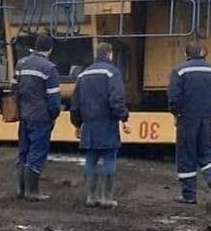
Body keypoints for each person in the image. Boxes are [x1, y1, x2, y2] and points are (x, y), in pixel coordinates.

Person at [167, 42, 211, 205]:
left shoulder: (180, 70)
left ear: (186, 54)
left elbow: (174, 96)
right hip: (208, 117)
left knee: (186, 154)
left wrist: (175, 113)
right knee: (207, 152)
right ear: (203, 53)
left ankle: (189, 195)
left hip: (187, 118)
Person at [70, 42, 130, 209]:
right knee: (109, 158)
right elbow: (116, 99)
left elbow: (75, 103)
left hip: (89, 125)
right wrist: (123, 117)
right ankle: (106, 198)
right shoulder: (112, 73)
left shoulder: (83, 75)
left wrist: (77, 124)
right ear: (109, 54)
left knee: (91, 158)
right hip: (107, 123)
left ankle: (91, 197)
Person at [12, 33, 61, 202]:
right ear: (50, 49)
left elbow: (14, 88)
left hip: (24, 115)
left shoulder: (21, 64)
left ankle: (21, 189)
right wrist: (53, 115)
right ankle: (32, 192)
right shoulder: (49, 68)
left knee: (23, 151)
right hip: (41, 117)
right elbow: (54, 99)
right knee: (37, 151)